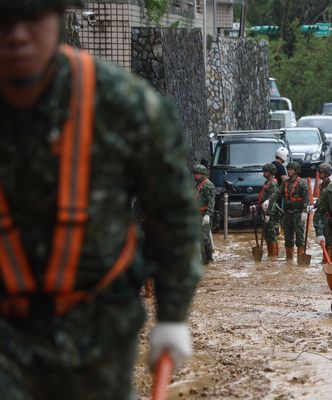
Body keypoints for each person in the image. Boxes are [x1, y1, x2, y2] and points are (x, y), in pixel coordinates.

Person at [0, 1, 201, 398]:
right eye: (3, 19)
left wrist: (172, 316)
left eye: (31, 18)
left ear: (58, 16)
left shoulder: (122, 103)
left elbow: (173, 213)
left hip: (99, 326)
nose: (17, 35)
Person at [268, 161, 309, 260]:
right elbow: (277, 193)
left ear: (296, 171)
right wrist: (268, 201)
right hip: (287, 214)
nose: (289, 171)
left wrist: (304, 211)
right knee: (288, 237)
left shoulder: (302, 183)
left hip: (298, 214)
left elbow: (306, 199)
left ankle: (300, 258)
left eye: (291, 169)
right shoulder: (285, 182)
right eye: (288, 169)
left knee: (300, 238)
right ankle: (289, 259)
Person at [193, 163, 216, 264]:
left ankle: (208, 259)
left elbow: (211, 201)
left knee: (204, 236)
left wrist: (208, 214)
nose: (195, 176)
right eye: (194, 174)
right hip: (197, 214)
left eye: (197, 174)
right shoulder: (197, 184)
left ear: (203, 174)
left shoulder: (209, 185)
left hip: (205, 214)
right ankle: (202, 258)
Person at [258, 163, 280, 258]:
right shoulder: (267, 182)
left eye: (266, 172)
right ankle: (270, 254)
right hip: (264, 210)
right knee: (267, 234)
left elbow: (273, 198)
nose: (264, 173)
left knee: (271, 234)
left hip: (271, 212)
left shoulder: (273, 183)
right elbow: (263, 196)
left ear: (271, 172)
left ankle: (273, 255)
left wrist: (268, 214)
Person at [315, 162, 332, 258]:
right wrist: (315, 205)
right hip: (323, 215)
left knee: (329, 240)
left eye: (321, 172)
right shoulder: (322, 185)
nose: (319, 174)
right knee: (324, 238)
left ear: (326, 173)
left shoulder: (331, 186)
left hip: (329, 217)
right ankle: (325, 258)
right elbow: (321, 199)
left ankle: (328, 260)